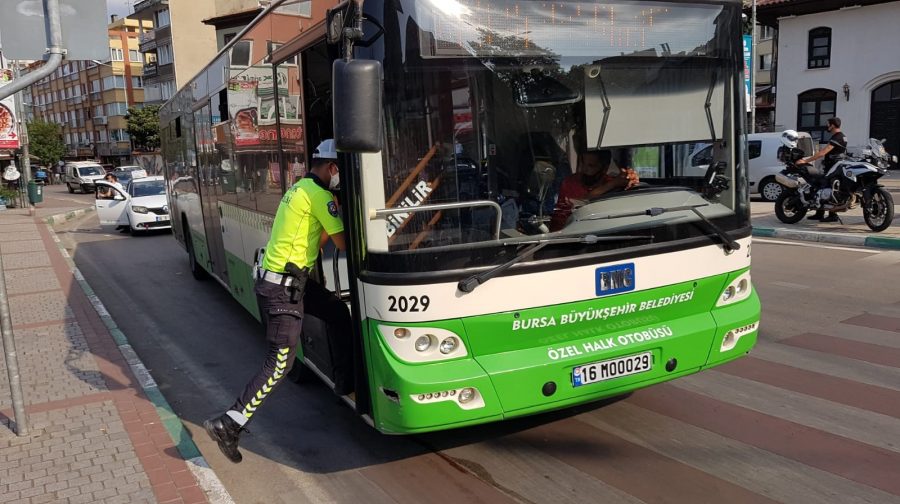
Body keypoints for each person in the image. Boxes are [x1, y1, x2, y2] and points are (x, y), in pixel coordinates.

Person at [203, 139, 353, 464]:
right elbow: (341, 242)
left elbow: (318, 237)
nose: (339, 175)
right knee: (279, 365)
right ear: (332, 168)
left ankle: (345, 383)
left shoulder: (300, 189)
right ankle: (229, 423)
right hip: (283, 289)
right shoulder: (321, 196)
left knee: (338, 312)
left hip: (286, 281)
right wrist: (340, 210)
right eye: (339, 169)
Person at [549, 149, 640, 231]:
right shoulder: (570, 182)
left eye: (591, 166)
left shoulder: (611, 182)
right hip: (564, 234)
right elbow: (579, 204)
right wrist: (610, 185)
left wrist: (631, 179)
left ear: (604, 168)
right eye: (583, 163)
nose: (584, 169)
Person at [799, 117, 847, 222]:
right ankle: (820, 213)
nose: (827, 126)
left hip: (833, 167)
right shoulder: (843, 136)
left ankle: (831, 215)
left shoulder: (837, 137)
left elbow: (822, 152)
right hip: (835, 166)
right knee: (825, 187)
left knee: (824, 186)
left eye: (828, 124)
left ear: (832, 125)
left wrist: (806, 161)